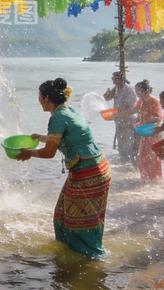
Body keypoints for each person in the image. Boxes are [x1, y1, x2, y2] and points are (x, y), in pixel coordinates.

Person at [16, 78, 111, 259]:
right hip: (91, 169)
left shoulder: (58, 117)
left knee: (80, 222)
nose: (38, 99)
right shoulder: (67, 110)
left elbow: (49, 152)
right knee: (62, 215)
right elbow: (64, 137)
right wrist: (41, 137)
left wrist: (29, 153)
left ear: (46, 99)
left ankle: (92, 262)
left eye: (39, 95)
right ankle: (69, 256)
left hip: (89, 173)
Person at [103, 71, 138, 165]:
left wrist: (116, 113)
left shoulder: (129, 89)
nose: (113, 81)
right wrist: (107, 94)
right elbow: (106, 98)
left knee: (129, 140)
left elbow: (129, 105)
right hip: (119, 119)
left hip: (129, 118)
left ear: (120, 79)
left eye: (115, 79)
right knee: (120, 140)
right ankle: (123, 161)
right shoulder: (116, 88)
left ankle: (131, 162)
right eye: (112, 78)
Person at [133, 80, 163, 181]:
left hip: (152, 132)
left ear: (143, 90)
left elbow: (158, 118)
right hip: (144, 132)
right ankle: (145, 178)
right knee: (142, 156)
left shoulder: (153, 101)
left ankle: (155, 180)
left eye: (137, 91)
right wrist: (120, 115)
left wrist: (142, 123)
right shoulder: (141, 100)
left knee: (152, 157)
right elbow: (134, 110)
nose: (136, 93)